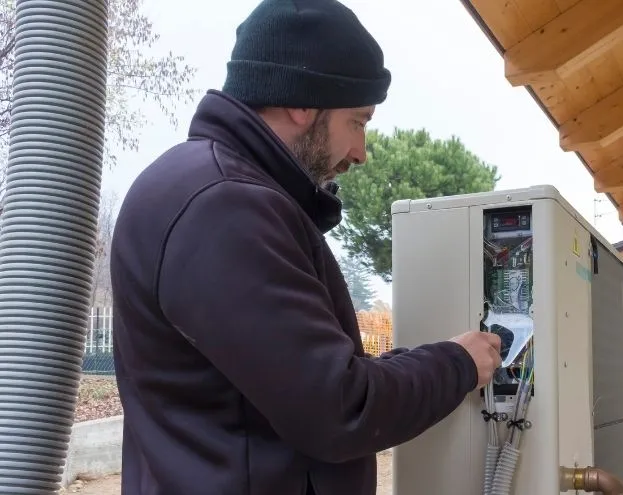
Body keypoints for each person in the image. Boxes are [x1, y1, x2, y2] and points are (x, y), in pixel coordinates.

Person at [109, 0, 502, 494]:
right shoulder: (225, 207)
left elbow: (292, 384)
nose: (360, 152)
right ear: (302, 103)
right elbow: (340, 408)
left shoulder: (209, 188)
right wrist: (457, 364)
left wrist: (422, 362)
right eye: (358, 122)